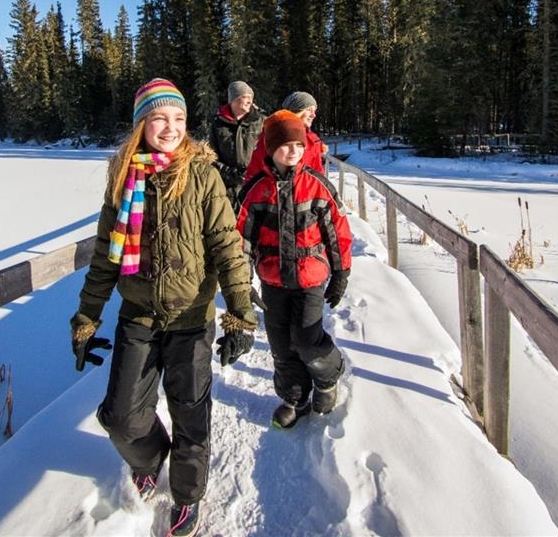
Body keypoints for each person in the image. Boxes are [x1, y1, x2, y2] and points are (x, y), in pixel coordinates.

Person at [70, 77, 257, 537]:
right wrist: (86, 319)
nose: (171, 128)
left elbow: (227, 248)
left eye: (178, 118)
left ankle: (188, 497)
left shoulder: (202, 175)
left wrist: (240, 315)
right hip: (138, 317)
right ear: (141, 125)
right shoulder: (123, 177)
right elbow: (104, 257)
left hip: (192, 318)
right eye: (159, 118)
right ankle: (152, 460)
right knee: (120, 418)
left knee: (191, 416)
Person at [236, 110, 352, 428]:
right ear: (271, 148)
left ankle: (328, 378)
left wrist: (341, 273)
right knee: (280, 344)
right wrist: (242, 283)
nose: (294, 151)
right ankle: (295, 398)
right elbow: (241, 239)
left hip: (309, 278)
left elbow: (337, 230)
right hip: (273, 280)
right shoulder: (256, 190)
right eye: (286, 145)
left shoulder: (317, 186)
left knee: (306, 338)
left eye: (298, 145)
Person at [242, 90, 327, 184]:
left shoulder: (313, 140)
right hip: (273, 193)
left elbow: (319, 175)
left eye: (314, 111)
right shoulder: (272, 135)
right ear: (296, 111)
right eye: (309, 110)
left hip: (305, 195)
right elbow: (255, 168)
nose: (313, 115)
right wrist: (250, 192)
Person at [209, 80, 265, 208]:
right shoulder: (218, 123)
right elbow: (211, 156)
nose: (249, 101)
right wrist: (230, 174)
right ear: (233, 100)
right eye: (245, 97)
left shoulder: (261, 121)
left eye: (251, 97)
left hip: (256, 184)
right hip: (227, 188)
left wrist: (256, 172)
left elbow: (269, 152)